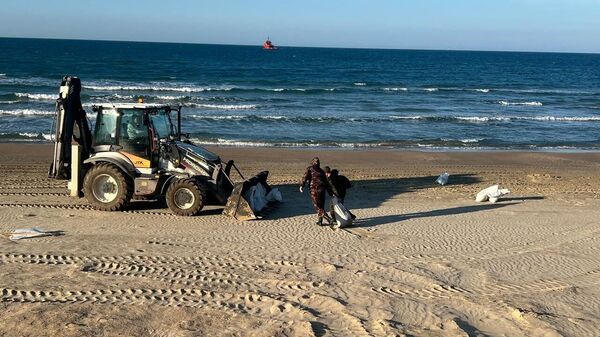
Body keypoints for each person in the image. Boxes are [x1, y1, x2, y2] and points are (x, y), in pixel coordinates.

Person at [300, 157, 333, 226]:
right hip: (322, 190)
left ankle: (329, 219)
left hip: (314, 190)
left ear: (312, 162)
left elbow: (305, 177)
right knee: (321, 205)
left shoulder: (310, 168)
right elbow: (326, 183)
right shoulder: (321, 171)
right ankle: (320, 221)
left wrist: (302, 186)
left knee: (317, 206)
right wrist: (330, 192)